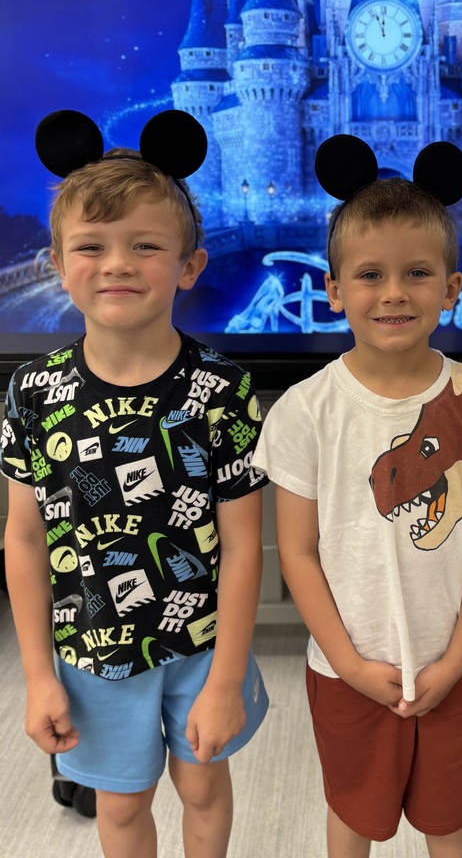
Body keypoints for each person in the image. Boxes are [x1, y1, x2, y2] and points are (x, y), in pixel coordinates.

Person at [0, 109, 269, 858]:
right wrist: (37, 676)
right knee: (120, 811)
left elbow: (246, 549)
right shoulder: (33, 392)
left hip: (203, 646)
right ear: (59, 264)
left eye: (145, 246)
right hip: (92, 651)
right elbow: (22, 539)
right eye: (92, 247)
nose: (117, 263)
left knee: (205, 791)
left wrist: (223, 681)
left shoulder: (223, 390)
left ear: (189, 265)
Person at [252, 135, 462, 858]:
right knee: (354, 815)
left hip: (458, 667)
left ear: (452, 287)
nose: (395, 293)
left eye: (417, 272)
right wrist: (348, 663)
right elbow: (300, 553)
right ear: (335, 290)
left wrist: (454, 658)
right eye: (370, 275)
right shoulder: (305, 410)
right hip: (347, 671)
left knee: (446, 821)